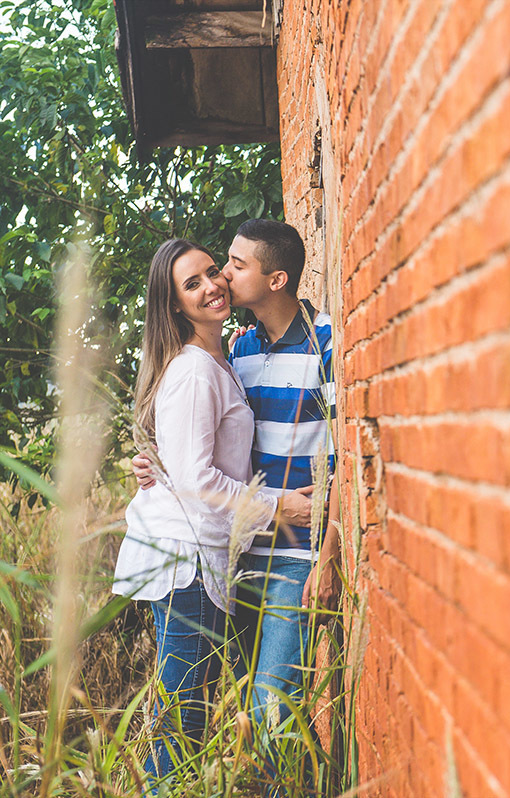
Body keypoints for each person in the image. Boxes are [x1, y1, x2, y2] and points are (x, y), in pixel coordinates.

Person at [133, 219, 340, 785]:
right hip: (238, 555)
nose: (222, 276)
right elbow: (201, 448)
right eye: (206, 272)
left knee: (274, 710)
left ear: (276, 279)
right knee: (233, 715)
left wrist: (333, 542)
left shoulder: (328, 344)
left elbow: (350, 452)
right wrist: (159, 466)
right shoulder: (237, 352)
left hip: (295, 556)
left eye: (233, 265)